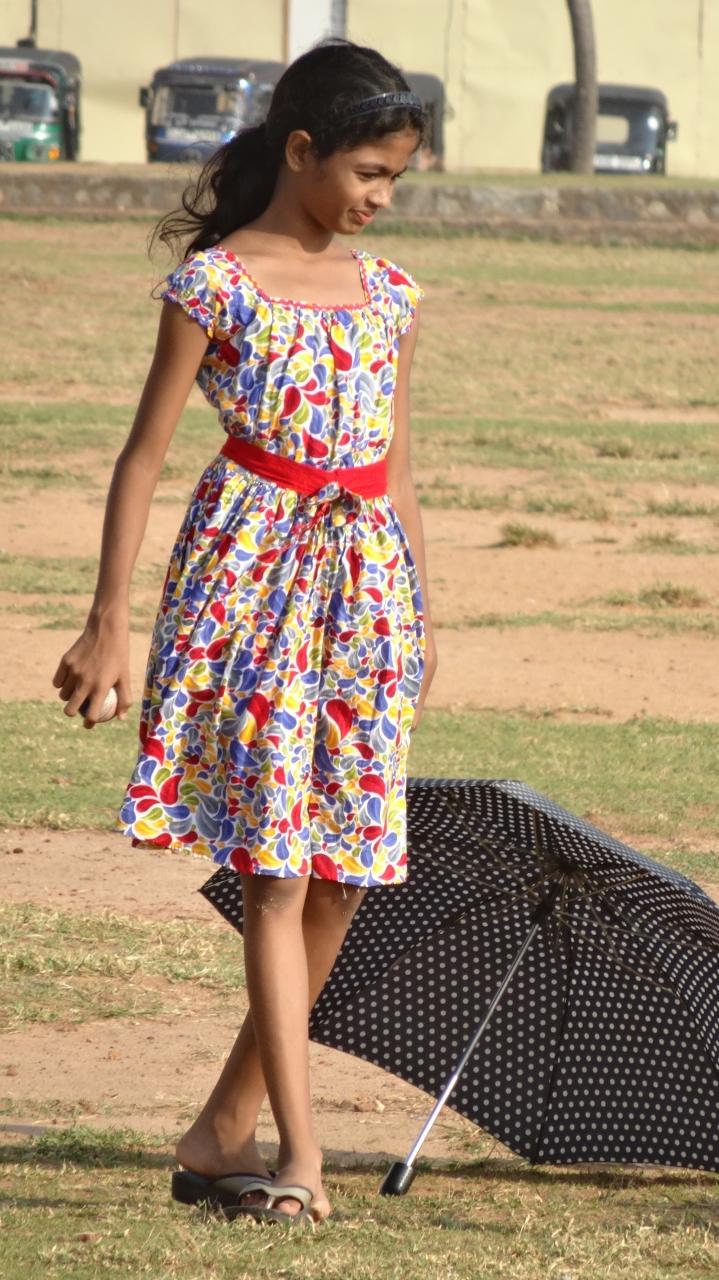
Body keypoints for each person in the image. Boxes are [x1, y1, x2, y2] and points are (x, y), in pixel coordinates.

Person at [52, 37, 437, 1228]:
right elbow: (142, 458)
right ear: (301, 150)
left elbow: (396, 470)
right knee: (278, 870)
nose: (379, 198)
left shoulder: (391, 296)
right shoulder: (213, 286)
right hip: (249, 587)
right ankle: (298, 1154)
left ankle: (221, 1125)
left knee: (341, 877)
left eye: (394, 180)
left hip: (364, 595)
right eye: (368, 172)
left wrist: (420, 614)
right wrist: (109, 621)